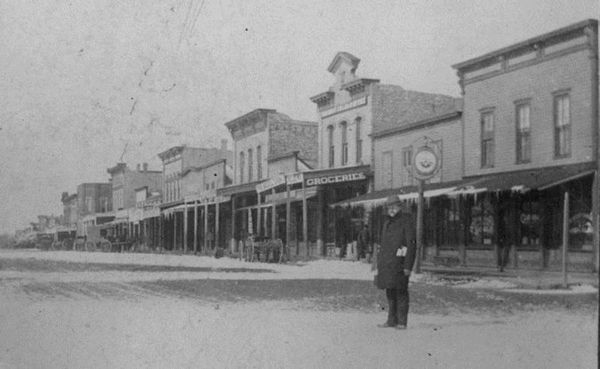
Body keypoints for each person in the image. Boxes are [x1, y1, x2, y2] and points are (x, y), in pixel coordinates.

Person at [375, 195, 416, 329]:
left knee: (401, 292)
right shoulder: (387, 222)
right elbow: (383, 244)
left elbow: (410, 244)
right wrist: (379, 264)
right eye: (389, 207)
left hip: (400, 263)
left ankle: (402, 322)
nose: (391, 209)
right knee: (390, 292)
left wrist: (408, 266)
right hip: (387, 264)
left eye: (394, 206)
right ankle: (391, 320)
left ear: (400, 207)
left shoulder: (406, 221)